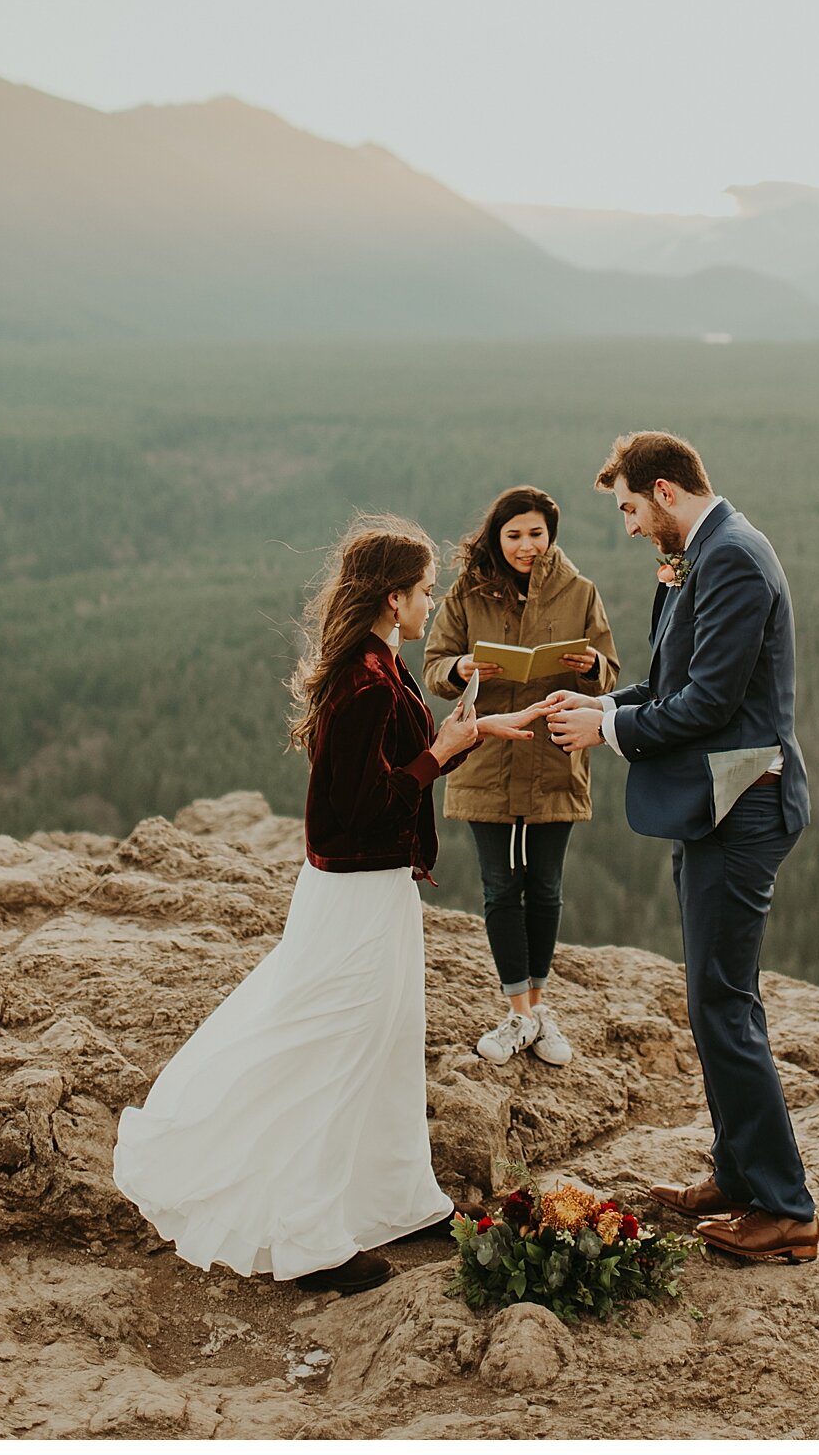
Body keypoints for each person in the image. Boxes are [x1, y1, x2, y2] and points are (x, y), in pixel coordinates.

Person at [112, 515, 543, 1298]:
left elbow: (393, 769)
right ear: (391, 598)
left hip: (372, 890)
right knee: (339, 1051)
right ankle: (310, 1240)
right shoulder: (365, 681)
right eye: (422, 591)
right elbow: (356, 808)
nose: (429, 602)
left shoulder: (379, 663)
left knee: (386, 1042)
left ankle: (395, 1198)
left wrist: (478, 734)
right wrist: (439, 755)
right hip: (351, 895)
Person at [545, 432, 819, 1264]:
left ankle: (784, 1209)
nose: (627, 527)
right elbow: (671, 684)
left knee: (722, 1005)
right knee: (715, 999)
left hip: (744, 807)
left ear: (664, 492)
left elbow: (707, 704)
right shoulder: (704, 553)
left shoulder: (732, 557)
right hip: (712, 808)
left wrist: (609, 729)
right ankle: (736, 1177)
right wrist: (598, 702)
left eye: (628, 508)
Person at [423, 486, 619, 1067]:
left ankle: (535, 1009)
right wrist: (461, 666)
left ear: (550, 535)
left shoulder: (580, 593)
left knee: (547, 890)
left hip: (555, 758)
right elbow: (434, 668)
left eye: (536, 534)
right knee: (501, 887)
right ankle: (520, 1014)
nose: (526, 545)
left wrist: (593, 666)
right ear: (497, 538)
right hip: (487, 758)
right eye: (514, 535)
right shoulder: (466, 595)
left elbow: (610, 674)